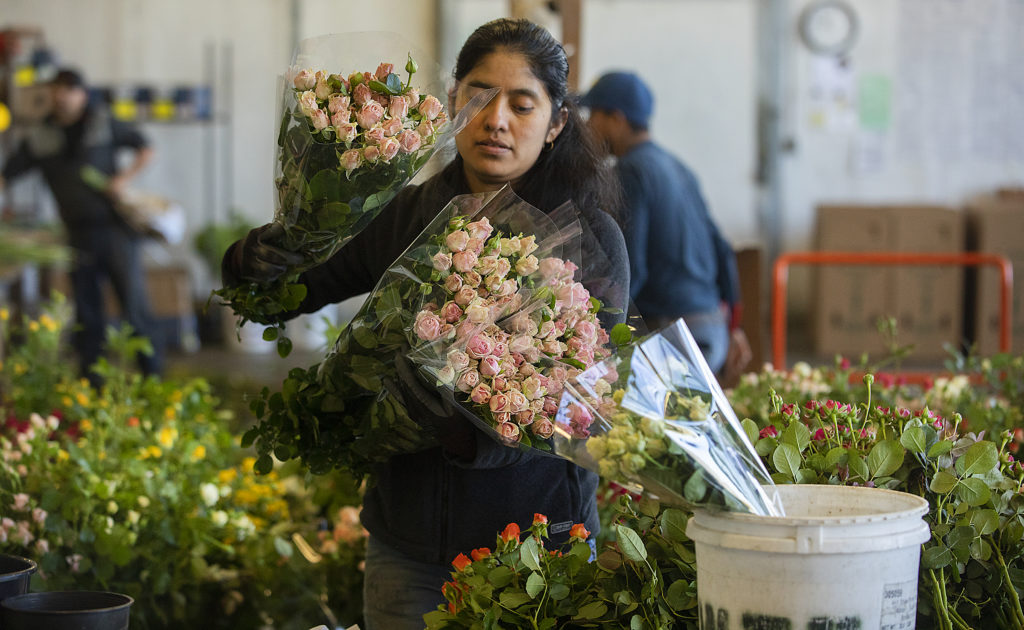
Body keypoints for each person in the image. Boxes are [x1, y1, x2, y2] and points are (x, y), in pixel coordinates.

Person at [221, 19, 627, 630]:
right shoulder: (404, 211)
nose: (496, 120)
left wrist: (465, 437)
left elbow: (582, 407)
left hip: (539, 549)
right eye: (479, 95)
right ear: (452, 104)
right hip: (409, 547)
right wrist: (264, 257)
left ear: (557, 124)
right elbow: (300, 287)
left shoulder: (589, 240)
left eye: (523, 105)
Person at [582, 70, 751, 379]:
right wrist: (733, 327)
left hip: (671, 331)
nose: (588, 125)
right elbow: (723, 250)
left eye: (593, 114)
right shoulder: (678, 167)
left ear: (616, 118)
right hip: (711, 327)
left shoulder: (630, 172)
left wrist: (600, 332)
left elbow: (633, 267)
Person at [0, 67, 162, 382]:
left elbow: (146, 147)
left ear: (82, 95)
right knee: (88, 314)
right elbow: (8, 173)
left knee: (134, 307)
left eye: (69, 90)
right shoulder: (41, 136)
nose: (61, 96)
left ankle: (152, 378)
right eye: (56, 90)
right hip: (77, 234)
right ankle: (92, 384)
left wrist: (122, 180)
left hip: (114, 228)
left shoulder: (102, 122)